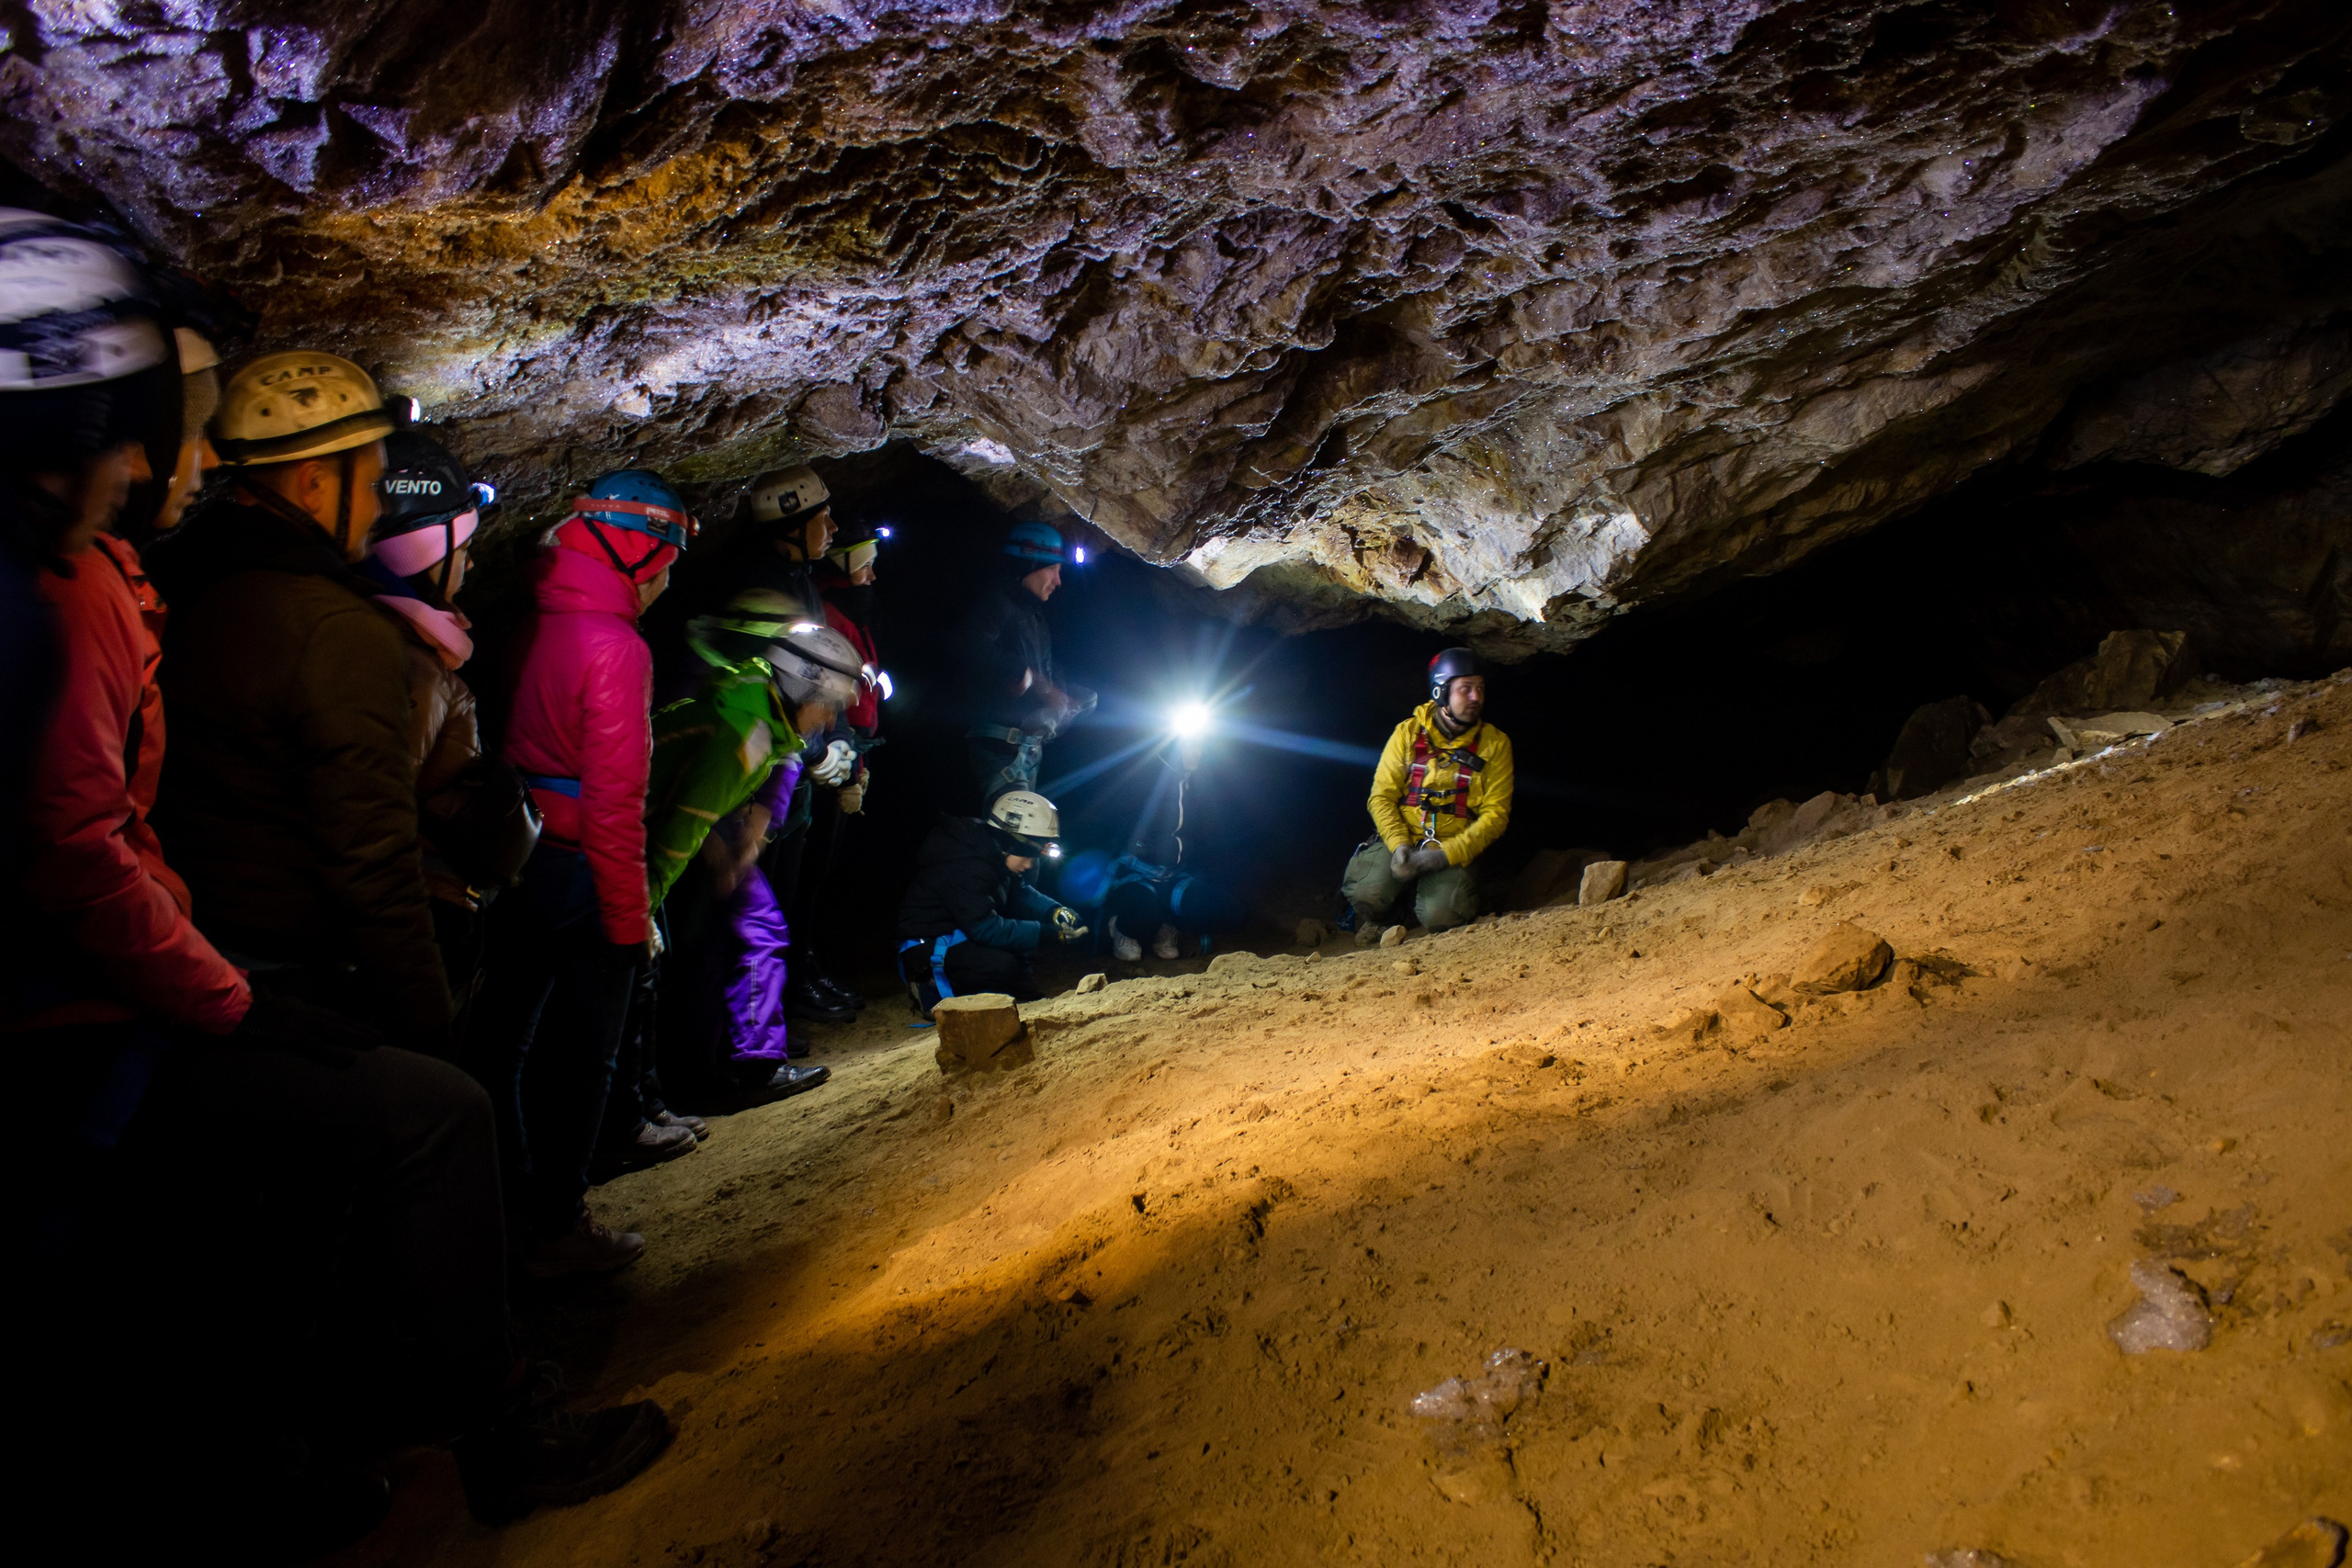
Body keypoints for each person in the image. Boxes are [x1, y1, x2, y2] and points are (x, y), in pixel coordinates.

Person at [2, 212, 668, 1553]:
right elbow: (328, 851)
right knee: (429, 1117)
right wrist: (375, 1014)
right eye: (156, 432)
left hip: (162, 973)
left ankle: (280, 1467)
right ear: (319, 485)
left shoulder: (183, 590)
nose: (172, 461)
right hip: (125, 1002)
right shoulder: (197, 611)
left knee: (268, 1227)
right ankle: (498, 1430)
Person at [144, 348, 455, 1046]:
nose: (380, 507)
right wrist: (429, 1027)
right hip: (286, 972)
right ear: (315, 484)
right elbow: (373, 856)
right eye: (371, 484)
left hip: (187, 941)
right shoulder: (336, 630)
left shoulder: (178, 584)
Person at [470, 469, 693, 1276]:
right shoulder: (616, 648)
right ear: (638, 554)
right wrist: (632, 923)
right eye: (666, 560)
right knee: (585, 1054)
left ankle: (499, 1213)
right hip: (579, 871)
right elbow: (613, 803)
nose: (668, 579)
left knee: (501, 1046)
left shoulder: (529, 620)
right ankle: (558, 1225)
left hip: (515, 860)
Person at [362, 430, 541, 1052]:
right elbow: (382, 815)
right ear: (421, 551)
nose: (471, 564)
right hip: (423, 910)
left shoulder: (407, 650)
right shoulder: (412, 668)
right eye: (462, 548)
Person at [648, 604, 859, 1098]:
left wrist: (754, 838)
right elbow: (683, 824)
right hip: (660, 829)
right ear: (800, 689)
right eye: (827, 703)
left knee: (745, 932)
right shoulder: (743, 730)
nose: (830, 717)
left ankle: (740, 1064)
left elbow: (782, 764)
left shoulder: (766, 704)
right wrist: (643, 905)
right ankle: (722, 1074)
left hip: (701, 819)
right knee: (722, 940)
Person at [1342, 648, 1516, 939]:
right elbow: (1381, 797)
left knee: (1441, 916)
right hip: (1406, 835)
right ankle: (1392, 916)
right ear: (1441, 692)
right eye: (1466, 688)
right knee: (1367, 894)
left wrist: (1444, 856)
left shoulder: (1495, 744)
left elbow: (1495, 816)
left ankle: (1457, 894)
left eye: (1480, 688)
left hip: (1452, 844)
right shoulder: (1408, 734)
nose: (1476, 697)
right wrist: (1398, 844)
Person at [786, 516, 888, 1013]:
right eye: (865, 566)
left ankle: (806, 966)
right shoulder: (826, 614)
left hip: (842, 751)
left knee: (817, 875)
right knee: (803, 876)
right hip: (820, 756)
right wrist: (830, 755)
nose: (872, 577)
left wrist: (855, 760)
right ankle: (794, 978)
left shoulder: (848, 614)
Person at [897, 789, 1091, 1014]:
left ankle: (1022, 991)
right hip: (926, 945)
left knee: (1017, 938)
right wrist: (1047, 933)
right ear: (1010, 843)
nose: (1029, 865)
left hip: (960, 931)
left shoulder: (991, 851)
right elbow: (985, 928)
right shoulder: (967, 864)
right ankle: (929, 988)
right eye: (1027, 856)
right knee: (1000, 966)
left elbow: (1020, 892)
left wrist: (1054, 910)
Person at [956, 519, 1093, 806]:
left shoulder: (1034, 617)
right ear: (1030, 564)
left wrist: (1066, 694)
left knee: (1029, 826)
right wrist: (1028, 676)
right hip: (998, 747)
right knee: (1015, 828)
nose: (1058, 581)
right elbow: (971, 646)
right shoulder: (998, 604)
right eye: (1053, 569)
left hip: (1025, 749)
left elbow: (1045, 668)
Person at [1103, 734, 1246, 960]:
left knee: (1227, 909)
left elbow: (1206, 836)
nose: (1197, 752)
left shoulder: (1195, 785)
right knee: (1145, 909)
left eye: (1199, 746)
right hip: (1137, 874)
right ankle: (1123, 928)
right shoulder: (1144, 781)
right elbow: (1117, 822)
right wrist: (1142, 847)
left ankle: (1168, 927)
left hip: (1174, 877)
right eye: (1189, 746)